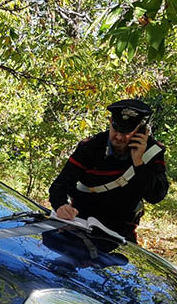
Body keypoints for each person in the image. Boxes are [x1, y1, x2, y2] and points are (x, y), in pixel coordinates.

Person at [49, 99, 168, 243]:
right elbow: (60, 184)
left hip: (121, 231)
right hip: (80, 223)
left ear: (140, 130)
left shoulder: (152, 151)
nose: (118, 137)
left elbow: (156, 195)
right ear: (110, 121)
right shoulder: (91, 147)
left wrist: (138, 163)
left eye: (127, 132)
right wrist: (61, 205)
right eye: (115, 128)